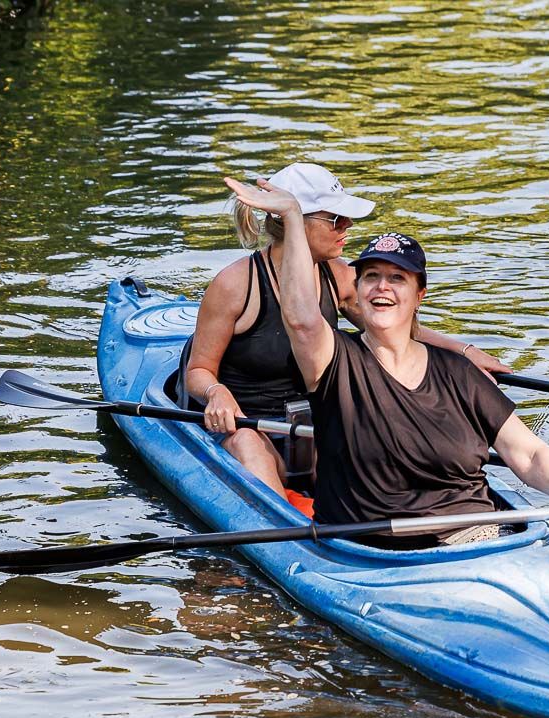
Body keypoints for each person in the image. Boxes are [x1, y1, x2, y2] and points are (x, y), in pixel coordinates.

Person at [222, 176, 549, 548]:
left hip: (474, 536)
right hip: (373, 549)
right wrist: (294, 217)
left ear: (419, 295)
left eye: (397, 278)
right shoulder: (335, 362)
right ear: (359, 290)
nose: (382, 287)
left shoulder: (458, 373)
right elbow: (301, 319)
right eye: (371, 276)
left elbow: (528, 456)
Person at [185, 163, 506, 496]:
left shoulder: (339, 276)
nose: (348, 225)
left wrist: (464, 354)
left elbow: (398, 333)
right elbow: (198, 370)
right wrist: (215, 392)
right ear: (290, 219)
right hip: (249, 428)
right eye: (335, 219)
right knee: (249, 445)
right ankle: (289, 534)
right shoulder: (235, 284)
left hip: (318, 427)